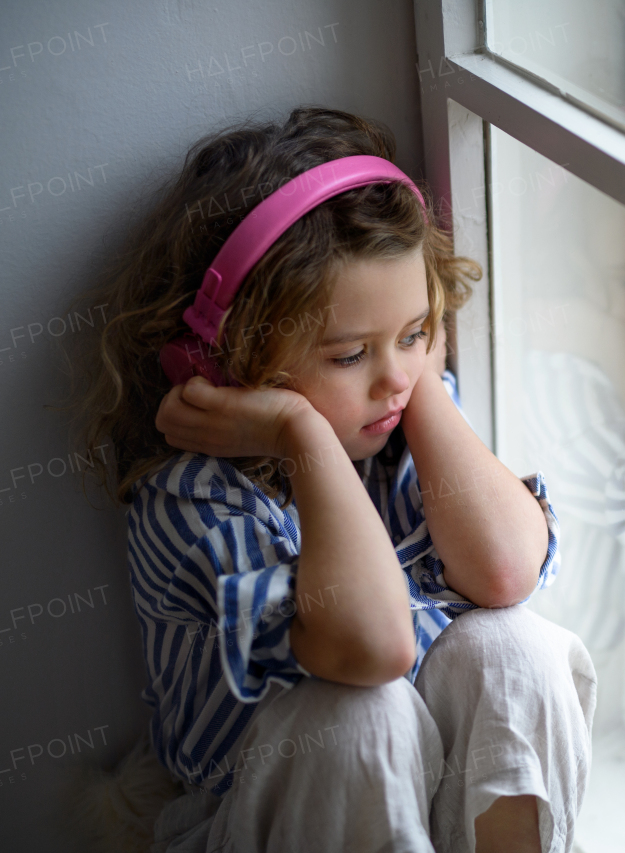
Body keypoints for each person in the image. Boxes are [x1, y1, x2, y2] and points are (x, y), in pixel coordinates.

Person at [68, 106, 596, 853]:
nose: (394, 381)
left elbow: (507, 569)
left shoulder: (402, 413)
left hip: (426, 802)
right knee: (360, 718)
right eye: (350, 354)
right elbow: (373, 648)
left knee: (515, 647)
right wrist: (302, 437)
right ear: (223, 366)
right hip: (270, 817)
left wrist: (429, 381)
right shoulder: (194, 497)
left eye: (414, 333)